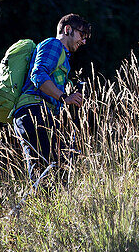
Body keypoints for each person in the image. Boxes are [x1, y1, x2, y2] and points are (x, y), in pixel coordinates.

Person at [12, 13, 91, 182]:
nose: (84, 41)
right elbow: (38, 75)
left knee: (54, 168)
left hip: (36, 113)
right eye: (82, 35)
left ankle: (45, 204)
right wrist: (64, 98)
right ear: (67, 29)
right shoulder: (54, 45)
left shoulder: (63, 57)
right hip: (33, 111)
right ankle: (41, 201)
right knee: (47, 170)